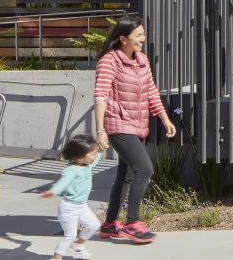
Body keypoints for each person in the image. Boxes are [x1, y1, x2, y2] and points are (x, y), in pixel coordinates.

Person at [94, 16, 176, 244]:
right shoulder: (109, 61)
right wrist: (100, 129)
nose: (142, 39)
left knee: (126, 174)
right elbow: (100, 95)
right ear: (123, 39)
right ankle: (133, 222)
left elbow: (151, 92)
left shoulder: (142, 60)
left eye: (143, 34)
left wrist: (164, 118)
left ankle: (110, 224)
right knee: (144, 168)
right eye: (138, 35)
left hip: (138, 124)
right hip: (118, 123)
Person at [40, 134, 102, 259]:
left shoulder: (86, 165)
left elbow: (94, 160)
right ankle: (56, 257)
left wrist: (100, 150)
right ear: (78, 157)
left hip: (82, 207)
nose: (95, 157)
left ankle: (78, 245)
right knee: (70, 236)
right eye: (93, 154)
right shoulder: (71, 171)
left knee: (94, 225)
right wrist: (53, 191)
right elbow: (62, 183)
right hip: (68, 208)